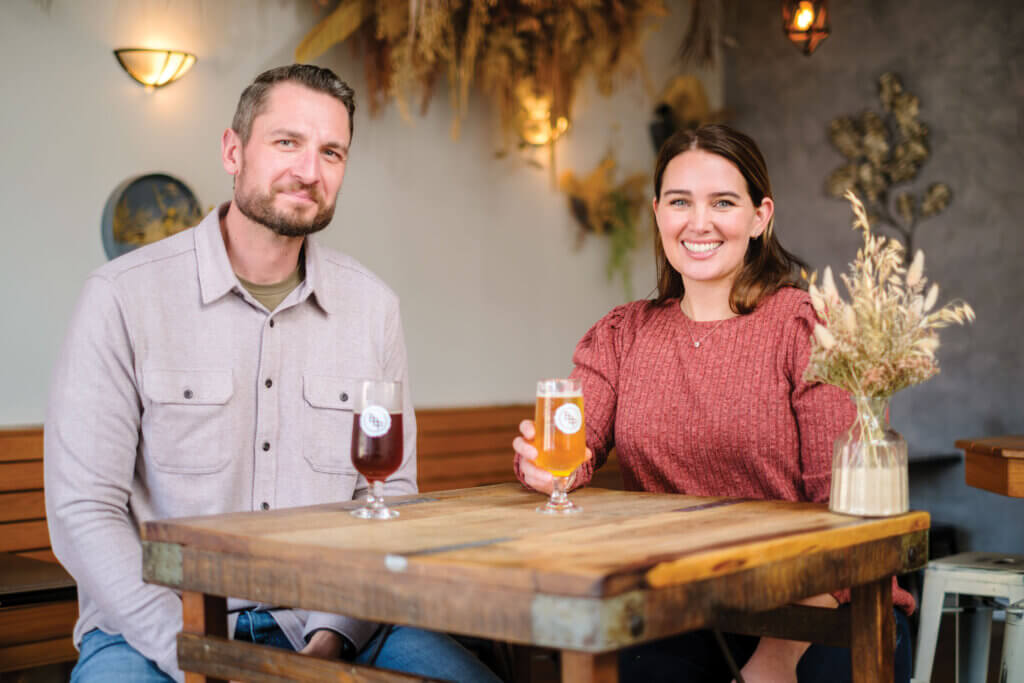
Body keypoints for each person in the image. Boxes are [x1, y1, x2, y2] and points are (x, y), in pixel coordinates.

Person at [45, 64, 500, 683]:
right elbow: (84, 510)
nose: (309, 170)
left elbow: (389, 497)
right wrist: (194, 649)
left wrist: (333, 637)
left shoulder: (374, 308)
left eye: (331, 151)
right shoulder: (123, 296)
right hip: (151, 630)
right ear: (234, 151)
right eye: (287, 142)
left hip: (341, 627)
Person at [513, 124, 914, 683]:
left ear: (759, 216)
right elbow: (571, 448)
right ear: (658, 214)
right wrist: (540, 464)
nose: (698, 222)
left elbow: (849, 521)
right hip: (681, 609)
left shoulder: (810, 328)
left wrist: (773, 660)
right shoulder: (624, 333)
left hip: (820, 607)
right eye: (680, 202)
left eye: (722, 202)